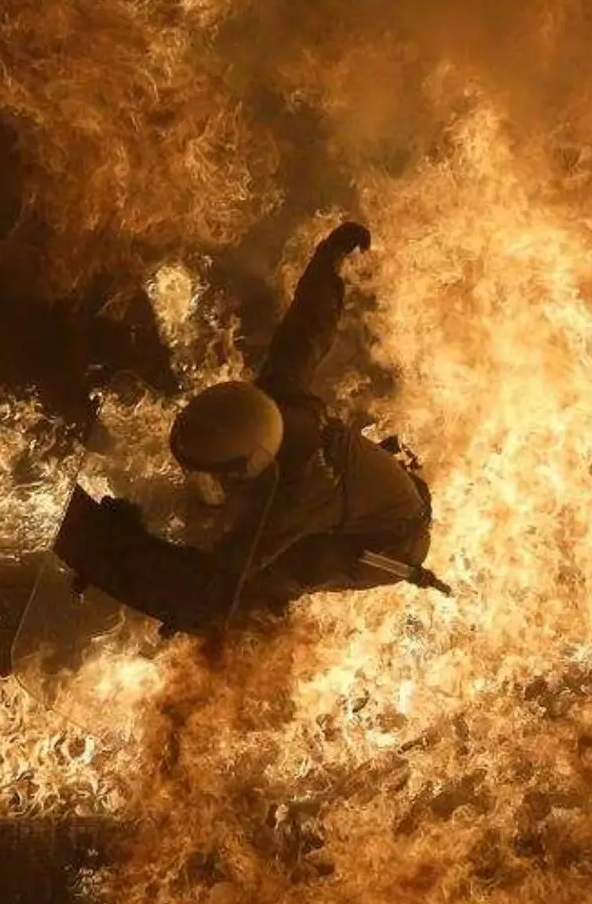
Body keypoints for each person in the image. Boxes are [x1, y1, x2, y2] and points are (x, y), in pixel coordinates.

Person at [167, 221, 436, 620]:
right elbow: (309, 323)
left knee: (280, 574)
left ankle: (261, 621)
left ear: (255, 461)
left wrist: (188, 595)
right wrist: (331, 255)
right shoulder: (278, 394)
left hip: (390, 544)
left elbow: (241, 558)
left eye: (220, 473)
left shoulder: (307, 489)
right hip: (363, 493)